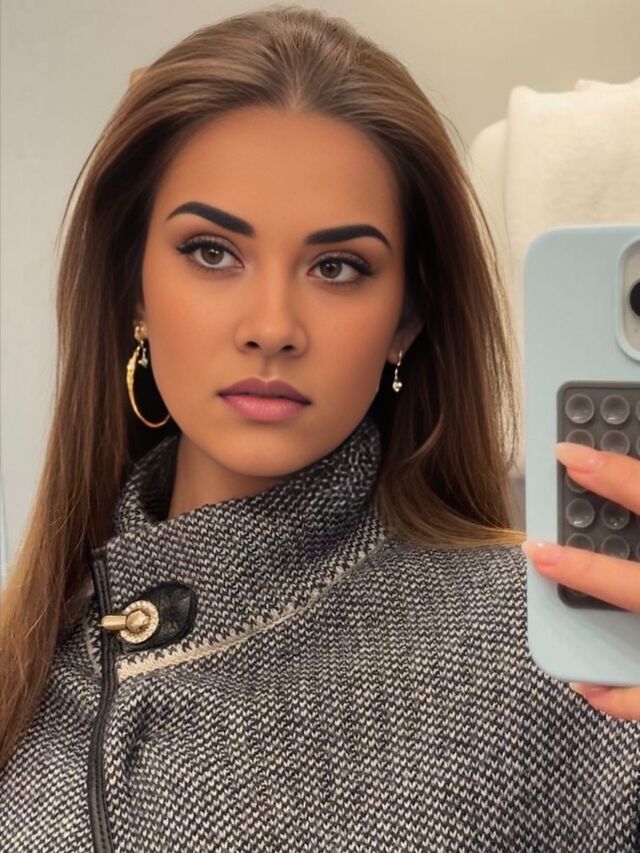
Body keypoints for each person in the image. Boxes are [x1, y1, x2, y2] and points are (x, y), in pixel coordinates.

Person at [1, 5, 638, 851]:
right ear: (133, 288)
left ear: (407, 317)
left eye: (337, 266)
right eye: (212, 252)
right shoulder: (26, 669)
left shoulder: (552, 650)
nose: (273, 326)